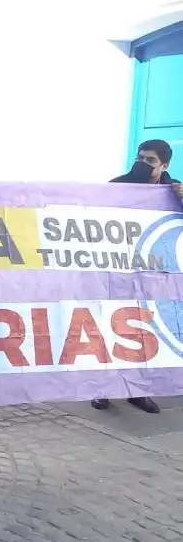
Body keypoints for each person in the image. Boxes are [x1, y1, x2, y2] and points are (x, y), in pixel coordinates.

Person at [91, 139, 183, 414]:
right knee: (110, 329)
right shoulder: (118, 185)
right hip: (117, 271)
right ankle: (102, 389)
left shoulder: (174, 190)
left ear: (164, 166)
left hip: (153, 273)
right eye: (139, 157)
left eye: (150, 161)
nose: (141, 164)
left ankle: (136, 391)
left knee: (144, 332)